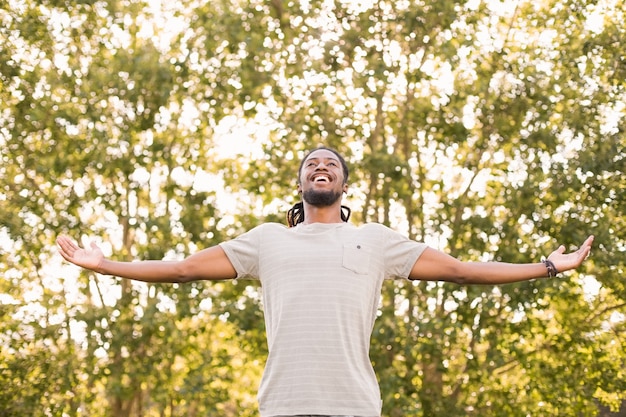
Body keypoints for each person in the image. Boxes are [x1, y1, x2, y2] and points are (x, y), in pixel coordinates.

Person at [57, 146, 594, 417]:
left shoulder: (377, 240)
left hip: (355, 407)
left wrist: (547, 267)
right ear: (301, 183)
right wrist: (106, 265)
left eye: (330, 163)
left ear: (341, 183)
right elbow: (181, 270)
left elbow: (462, 271)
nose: (321, 166)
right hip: (283, 406)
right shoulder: (267, 240)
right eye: (312, 163)